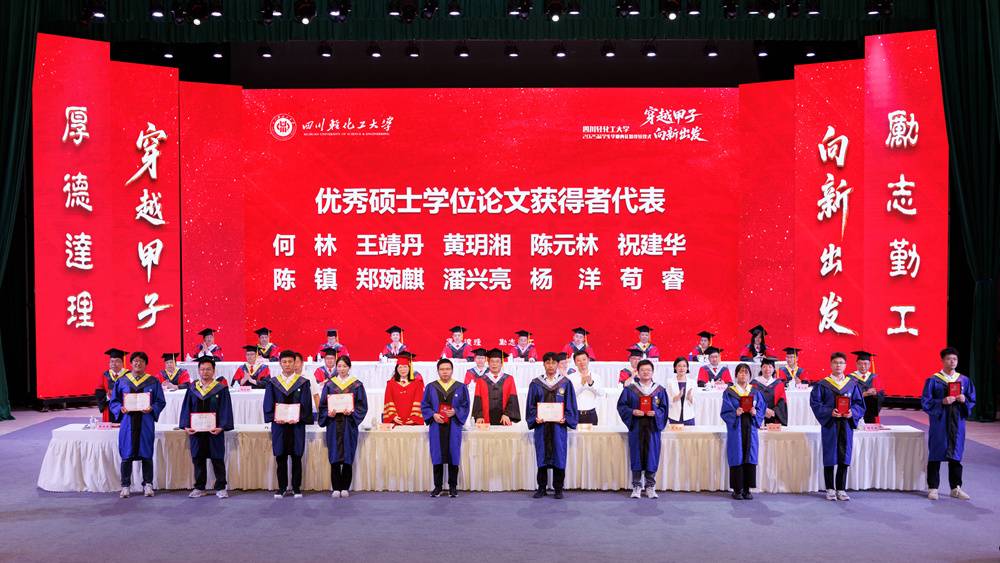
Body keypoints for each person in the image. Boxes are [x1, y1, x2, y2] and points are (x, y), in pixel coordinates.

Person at [109, 351, 166, 498]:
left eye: (141, 361)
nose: (138, 363)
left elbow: (160, 401)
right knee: (126, 454)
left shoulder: (153, 381)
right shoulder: (122, 381)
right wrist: (120, 408)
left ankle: (148, 484)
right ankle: (125, 486)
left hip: (145, 422)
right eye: (135, 361)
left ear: (145, 364)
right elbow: (114, 401)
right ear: (131, 363)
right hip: (127, 422)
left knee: (146, 454)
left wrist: (152, 408)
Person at [921, 347, 976, 501]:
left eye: (955, 359)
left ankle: (955, 488)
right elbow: (926, 402)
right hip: (940, 423)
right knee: (935, 454)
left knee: (956, 455)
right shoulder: (933, 380)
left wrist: (965, 400)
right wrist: (942, 402)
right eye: (949, 359)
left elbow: (972, 400)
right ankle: (933, 488)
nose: (952, 362)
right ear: (943, 361)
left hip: (958, 423)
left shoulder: (964, 380)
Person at [809, 351, 865, 501]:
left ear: (845, 365)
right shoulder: (823, 384)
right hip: (831, 424)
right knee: (829, 455)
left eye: (841, 363)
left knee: (844, 456)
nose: (838, 365)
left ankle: (841, 489)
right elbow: (815, 403)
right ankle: (829, 489)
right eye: (835, 362)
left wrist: (852, 413)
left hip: (846, 424)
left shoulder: (852, 384)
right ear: (831, 364)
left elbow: (859, 404)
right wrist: (829, 412)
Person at [178, 356, 234, 498]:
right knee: (198, 458)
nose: (205, 372)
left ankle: (221, 487)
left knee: (217, 458)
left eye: (208, 369)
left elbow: (225, 408)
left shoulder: (220, 389)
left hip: (214, 431)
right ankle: (199, 487)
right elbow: (186, 408)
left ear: (214, 371)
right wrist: (186, 425)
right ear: (198, 371)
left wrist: (222, 427)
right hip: (196, 431)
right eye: (202, 369)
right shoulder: (192, 388)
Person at [527, 352, 579, 499]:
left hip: (558, 428)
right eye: (548, 362)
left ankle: (558, 489)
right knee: (542, 455)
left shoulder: (565, 383)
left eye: (553, 363)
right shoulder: (536, 383)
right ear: (543, 364)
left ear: (558, 364)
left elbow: (570, 405)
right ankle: (541, 488)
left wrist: (566, 419)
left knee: (559, 456)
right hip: (541, 427)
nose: (550, 366)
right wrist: (535, 418)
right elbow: (531, 406)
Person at [263, 350, 314, 498]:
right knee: (281, 457)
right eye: (284, 362)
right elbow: (268, 403)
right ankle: (282, 487)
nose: (287, 364)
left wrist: (300, 417)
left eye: (290, 361)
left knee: (297, 457)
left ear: (295, 363)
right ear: (280, 364)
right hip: (279, 425)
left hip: (296, 425)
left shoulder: (303, 383)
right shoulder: (273, 383)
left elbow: (306, 405)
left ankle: (296, 487)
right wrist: (274, 417)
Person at [617, 359, 668, 499]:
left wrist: (656, 413)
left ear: (652, 372)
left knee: (652, 456)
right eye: (643, 370)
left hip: (653, 428)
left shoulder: (659, 390)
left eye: (648, 370)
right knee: (636, 456)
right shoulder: (630, 389)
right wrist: (632, 412)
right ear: (638, 372)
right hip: (637, 427)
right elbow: (622, 406)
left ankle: (650, 486)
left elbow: (664, 409)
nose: (646, 372)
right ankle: (636, 486)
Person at [318, 356, 368, 498]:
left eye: (344, 366)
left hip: (348, 424)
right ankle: (336, 487)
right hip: (333, 424)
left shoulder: (356, 385)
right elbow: (323, 405)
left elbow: (362, 406)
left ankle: (345, 487)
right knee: (334, 455)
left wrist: (352, 412)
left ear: (349, 367)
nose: (341, 369)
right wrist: (328, 413)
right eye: (339, 366)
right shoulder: (330, 385)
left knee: (348, 455)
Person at [421, 358, 470, 497]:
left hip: (453, 426)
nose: (445, 372)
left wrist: (455, 411)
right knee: (437, 455)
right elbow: (425, 405)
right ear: (438, 371)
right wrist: (433, 415)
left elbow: (465, 405)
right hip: (436, 426)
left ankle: (453, 486)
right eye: (442, 369)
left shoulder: (460, 387)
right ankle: (438, 487)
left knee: (453, 455)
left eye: (447, 369)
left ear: (452, 370)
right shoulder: (431, 387)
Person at [722, 363, 766, 500]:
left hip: (750, 428)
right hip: (736, 429)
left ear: (749, 376)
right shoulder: (729, 392)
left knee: (749, 456)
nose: (743, 374)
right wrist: (735, 413)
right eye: (741, 372)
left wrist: (755, 413)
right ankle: (737, 490)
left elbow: (761, 409)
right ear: (736, 375)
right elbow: (725, 411)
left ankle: (747, 489)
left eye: (746, 372)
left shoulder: (755, 392)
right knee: (737, 456)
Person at [472, 348, 520, 425]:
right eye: (492, 361)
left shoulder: (509, 379)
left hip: (504, 419)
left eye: (497, 361)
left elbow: (512, 398)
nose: (494, 364)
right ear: (488, 363)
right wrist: (479, 416)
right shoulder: (481, 380)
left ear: (501, 364)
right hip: (485, 419)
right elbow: (478, 399)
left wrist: (507, 414)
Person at [383, 352, 425, 425]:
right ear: (396, 369)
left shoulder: (417, 384)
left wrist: (414, 418)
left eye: (405, 367)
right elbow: (388, 400)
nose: (402, 370)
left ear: (410, 368)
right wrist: (393, 416)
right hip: (396, 422)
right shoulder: (390, 384)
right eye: (400, 367)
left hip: (412, 423)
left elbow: (419, 401)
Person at [850, 350, 885, 423]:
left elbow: (881, 395)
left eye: (865, 364)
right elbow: (847, 394)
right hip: (855, 412)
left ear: (869, 365)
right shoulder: (850, 378)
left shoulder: (874, 377)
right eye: (860, 364)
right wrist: (864, 394)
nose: (863, 366)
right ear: (856, 364)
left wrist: (876, 394)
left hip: (870, 412)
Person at [752, 357, 788, 426]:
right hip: (758, 416)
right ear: (761, 368)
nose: (767, 369)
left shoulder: (779, 384)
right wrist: (763, 410)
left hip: (774, 417)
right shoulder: (754, 383)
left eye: (770, 367)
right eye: (764, 367)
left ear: (774, 369)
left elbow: (782, 402)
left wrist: (774, 412)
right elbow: (751, 400)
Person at [572, 350, 605, 425]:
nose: (582, 362)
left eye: (584, 359)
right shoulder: (571, 378)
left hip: (591, 414)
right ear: (575, 363)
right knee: (574, 433)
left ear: (588, 360)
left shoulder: (596, 377)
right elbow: (571, 395)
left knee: (592, 433)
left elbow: (601, 393)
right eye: (578, 360)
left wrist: (591, 383)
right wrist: (582, 385)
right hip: (576, 414)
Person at [96, 348, 128, 423]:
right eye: (112, 361)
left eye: (117, 361)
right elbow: (99, 391)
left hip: (125, 408)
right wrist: (107, 396)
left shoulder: (128, 375)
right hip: (109, 408)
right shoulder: (105, 375)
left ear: (122, 363)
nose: (114, 364)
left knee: (124, 426)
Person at [666, 357, 696, 425]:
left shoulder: (692, 382)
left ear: (687, 368)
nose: (682, 368)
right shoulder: (669, 382)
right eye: (679, 366)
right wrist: (677, 397)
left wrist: (689, 397)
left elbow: (696, 401)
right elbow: (667, 400)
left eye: (684, 366)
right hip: (674, 416)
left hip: (689, 416)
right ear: (675, 367)